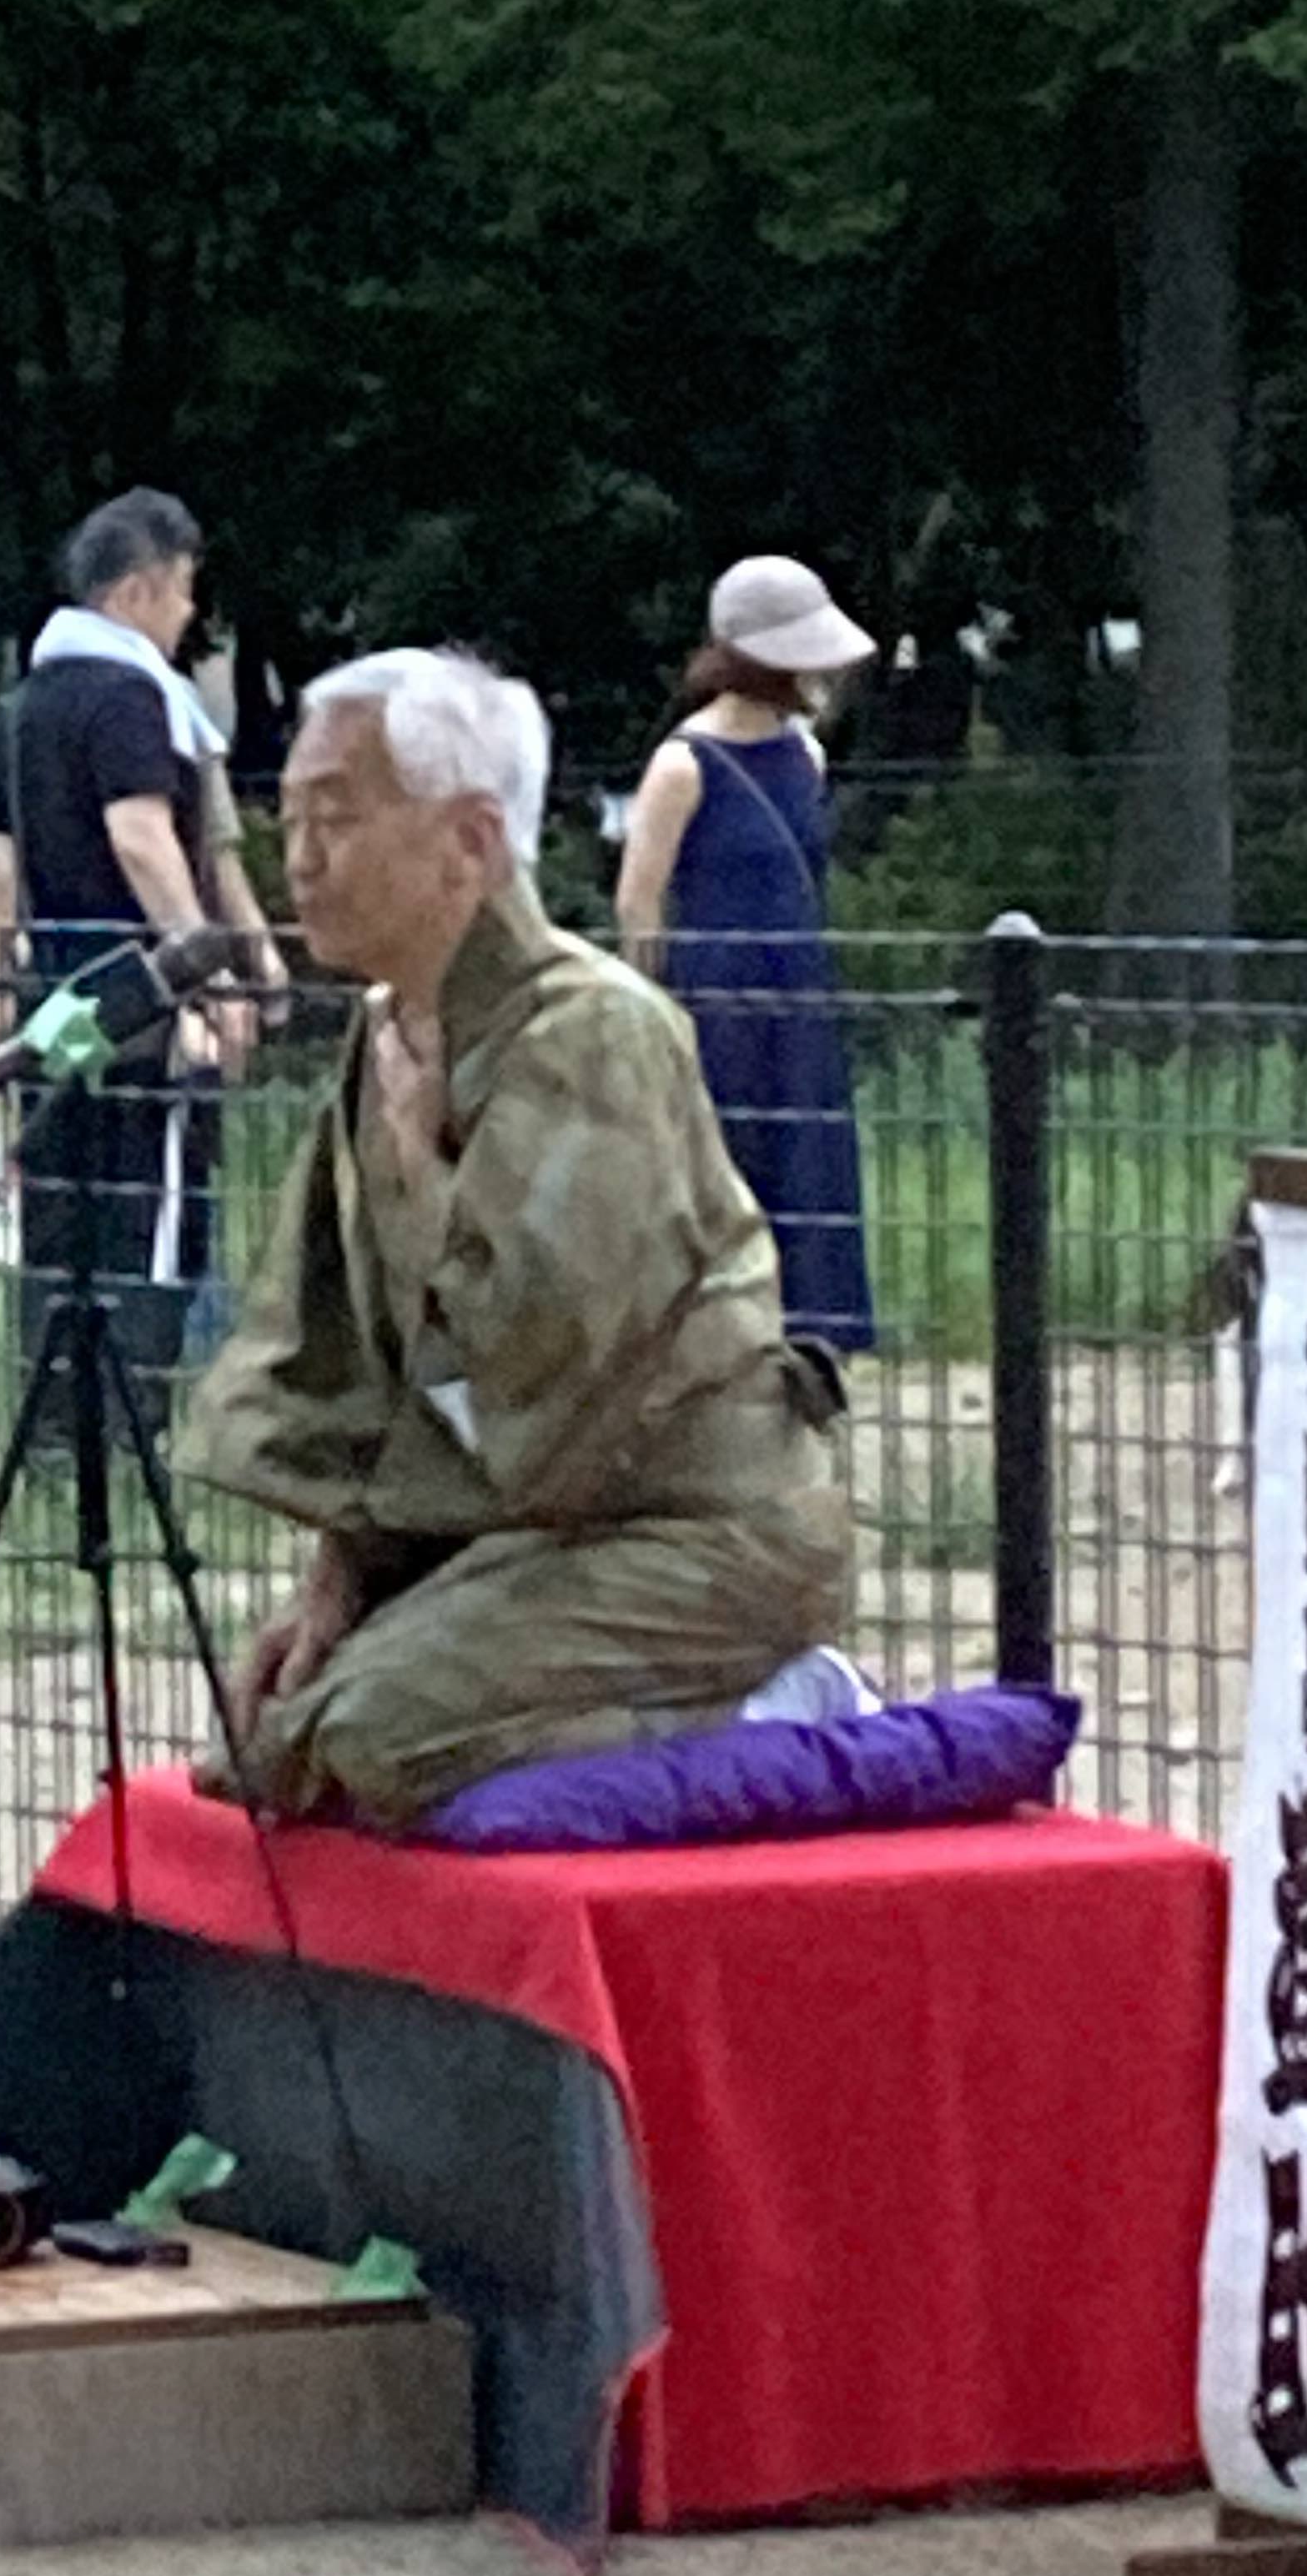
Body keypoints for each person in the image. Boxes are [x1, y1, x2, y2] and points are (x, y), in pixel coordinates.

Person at [181, 645, 852, 1832]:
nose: (302, 857)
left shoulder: (595, 1033)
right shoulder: (390, 1032)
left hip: (692, 1528)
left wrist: (430, 1167)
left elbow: (540, 1353)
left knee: (367, 1739)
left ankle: (772, 1707)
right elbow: (357, 1353)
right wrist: (342, 1580)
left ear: (472, 843)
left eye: (337, 816)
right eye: (289, 819)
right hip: (536, 1518)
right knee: (265, 1741)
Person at [0, 490, 286, 1431]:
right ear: (142, 589)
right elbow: (142, 835)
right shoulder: (132, 696)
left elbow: (2, 857)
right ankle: (130, 1420)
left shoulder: (23, 705)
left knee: (61, 1207)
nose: (191, 613)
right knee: (149, 1203)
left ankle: (54, 1423)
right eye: (185, 589)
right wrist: (210, 968)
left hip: (55, 995)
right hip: (141, 997)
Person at [612, 555, 878, 1356]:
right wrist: (654, 1007)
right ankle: (717, 1332)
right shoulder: (683, 763)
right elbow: (639, 894)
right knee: (726, 1158)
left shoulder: (808, 757)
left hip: (799, 991)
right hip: (716, 998)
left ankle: (812, 1334)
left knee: (806, 1158)